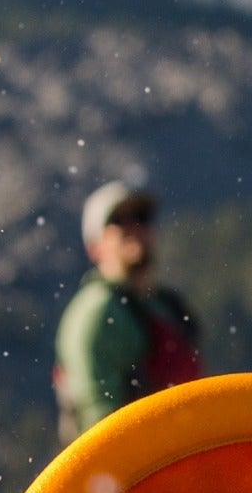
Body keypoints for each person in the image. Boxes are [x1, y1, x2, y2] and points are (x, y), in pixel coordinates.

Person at [53, 180, 204, 441]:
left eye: (142, 217)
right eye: (119, 220)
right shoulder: (97, 313)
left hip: (181, 459)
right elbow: (98, 422)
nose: (134, 227)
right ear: (94, 246)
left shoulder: (167, 304)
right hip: (133, 471)